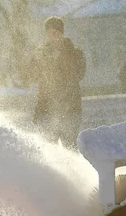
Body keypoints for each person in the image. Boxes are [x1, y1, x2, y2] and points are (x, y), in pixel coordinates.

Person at [22, 16, 85, 148]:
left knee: (70, 149)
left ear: (62, 33)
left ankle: (72, 169)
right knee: (49, 151)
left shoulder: (75, 53)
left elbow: (78, 74)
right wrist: (36, 59)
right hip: (46, 110)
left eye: (55, 33)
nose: (52, 36)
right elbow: (30, 77)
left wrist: (60, 58)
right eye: (49, 33)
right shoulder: (41, 54)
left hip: (70, 110)